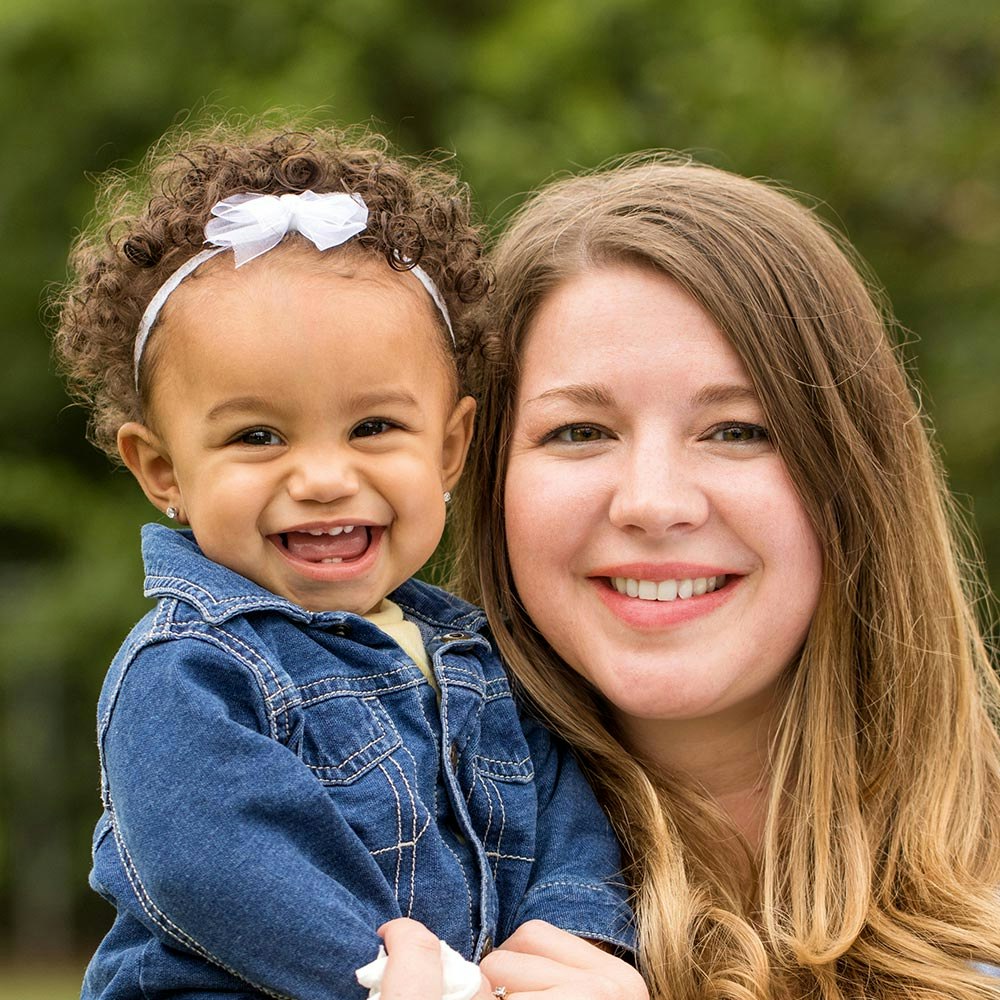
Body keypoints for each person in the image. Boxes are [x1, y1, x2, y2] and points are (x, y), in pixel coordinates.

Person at [379, 156, 1000, 998]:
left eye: (738, 430)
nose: (653, 503)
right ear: (485, 479)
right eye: (579, 431)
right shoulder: (371, 859)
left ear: (856, 479)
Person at [53, 122, 634, 1000]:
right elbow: (217, 864)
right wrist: (426, 982)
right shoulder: (190, 670)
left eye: (373, 428)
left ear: (450, 448)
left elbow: (568, 827)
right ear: (163, 469)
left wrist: (574, 948)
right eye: (257, 436)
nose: (324, 477)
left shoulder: (485, 660)